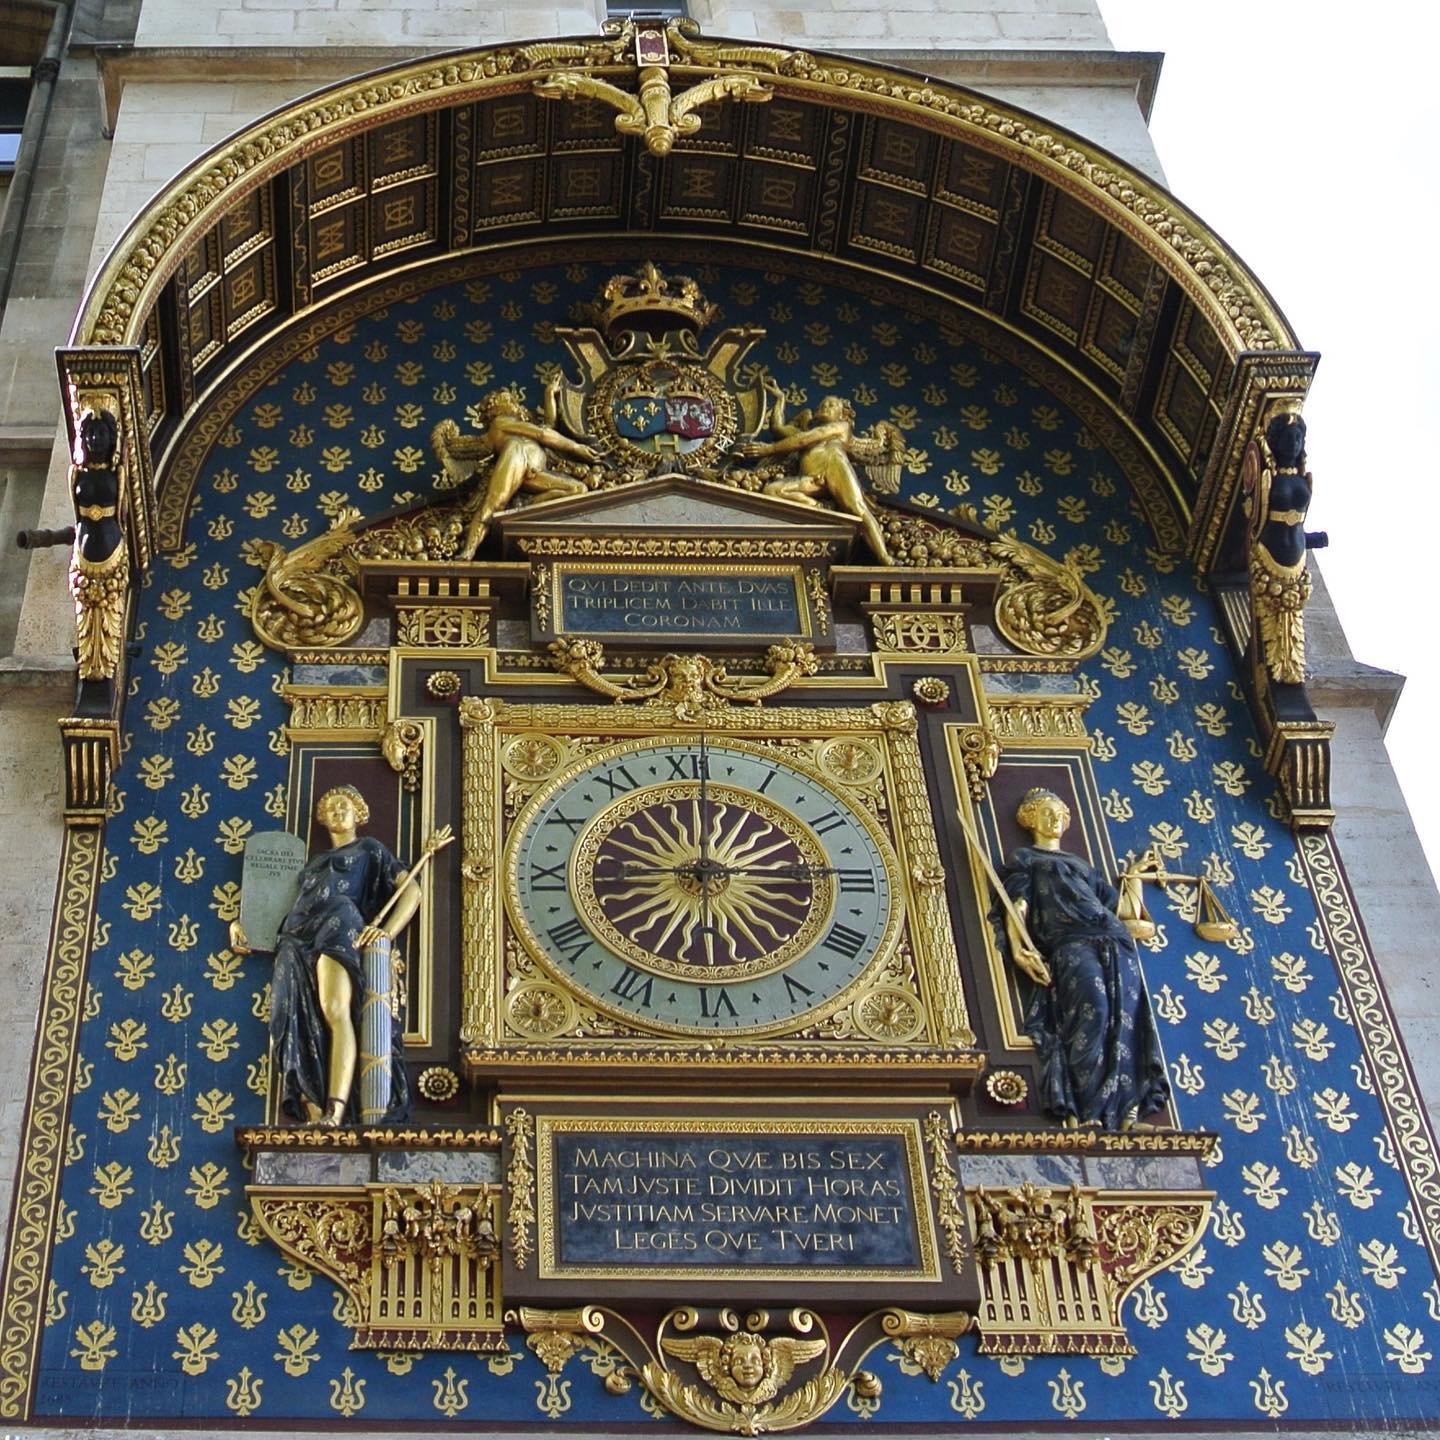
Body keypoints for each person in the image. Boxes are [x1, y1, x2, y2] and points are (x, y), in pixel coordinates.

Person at [997, 787, 1170, 1130]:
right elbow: (1017, 907)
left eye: (1060, 812)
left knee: (1125, 1022)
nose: (1055, 818)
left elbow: (1119, 911)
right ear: (1030, 819)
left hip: (1116, 942)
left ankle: (1126, 1114)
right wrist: (1018, 949)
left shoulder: (1082, 866)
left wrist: (1133, 876)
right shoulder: (1026, 860)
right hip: (1071, 942)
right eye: (1046, 812)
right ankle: (1091, 1110)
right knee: (1094, 1014)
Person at [265, 786, 419, 1126]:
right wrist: (245, 930)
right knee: (291, 1017)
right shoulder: (313, 865)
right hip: (295, 938)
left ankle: (335, 1108)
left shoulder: (369, 849)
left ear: (359, 814)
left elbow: (412, 890)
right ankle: (313, 1108)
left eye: (344, 805)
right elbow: (280, 914)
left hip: (338, 923)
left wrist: (386, 932)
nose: (337, 811)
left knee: (335, 1009)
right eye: (330, 807)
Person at [734, 380, 899, 563]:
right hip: (812, 478)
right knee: (771, 491)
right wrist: (780, 399)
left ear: (842, 413)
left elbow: (808, 438)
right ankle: (822, 510)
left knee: (858, 509)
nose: (826, 406)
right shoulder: (804, 433)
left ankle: (884, 557)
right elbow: (779, 428)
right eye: (823, 404)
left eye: (832, 404)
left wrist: (769, 449)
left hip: (834, 467)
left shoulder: (841, 427)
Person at [431, 380, 598, 556]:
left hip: (535, 470)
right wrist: (575, 447)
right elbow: (543, 434)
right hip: (517, 457)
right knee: (494, 504)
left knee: (578, 489)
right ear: (494, 409)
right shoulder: (500, 423)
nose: (513, 403)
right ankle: (469, 551)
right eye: (506, 400)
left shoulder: (520, 425)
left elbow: (547, 427)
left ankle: (522, 508)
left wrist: (549, 395)